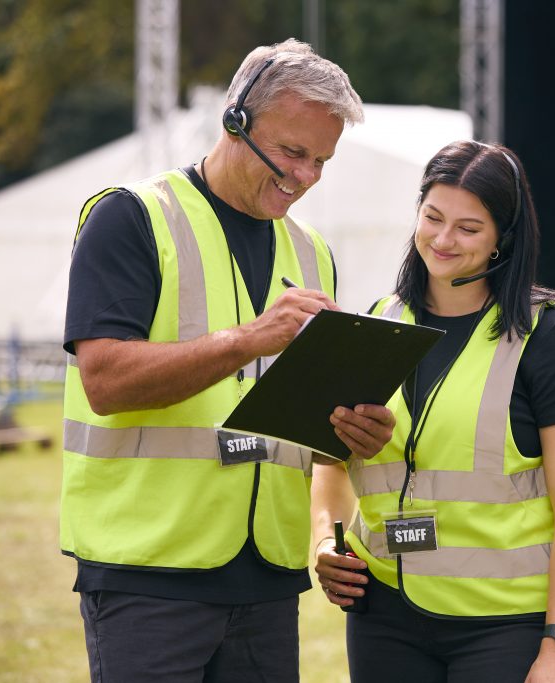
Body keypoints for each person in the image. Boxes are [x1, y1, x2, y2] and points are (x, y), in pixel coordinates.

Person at [60, 39, 395, 683]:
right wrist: (247, 339)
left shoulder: (313, 252)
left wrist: (355, 433)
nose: (306, 177)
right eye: (293, 152)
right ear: (234, 120)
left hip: (267, 579)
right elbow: (103, 381)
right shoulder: (129, 218)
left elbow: (306, 422)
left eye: (322, 160)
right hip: (148, 575)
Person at [311, 140, 555, 683]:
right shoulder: (376, 322)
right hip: (383, 618)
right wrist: (325, 542)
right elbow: (329, 456)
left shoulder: (551, 339)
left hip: (501, 625)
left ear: (503, 239)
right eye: (433, 217)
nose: (443, 240)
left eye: (468, 229)